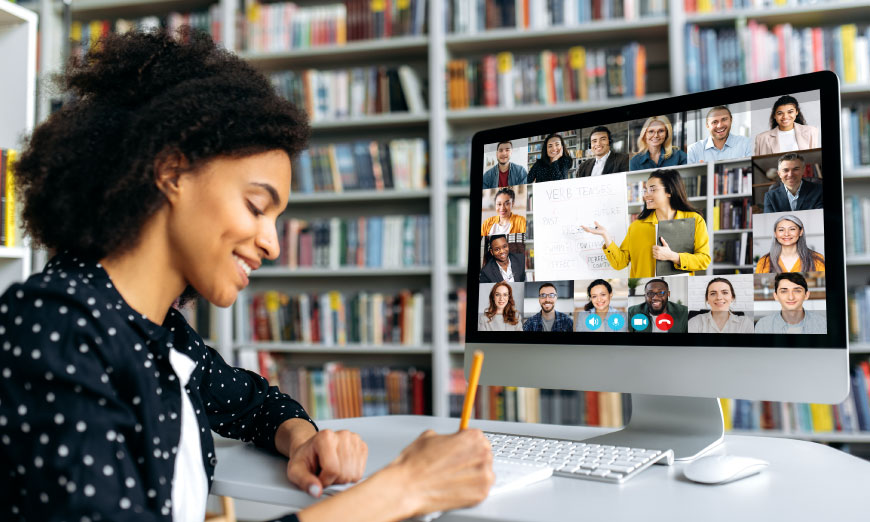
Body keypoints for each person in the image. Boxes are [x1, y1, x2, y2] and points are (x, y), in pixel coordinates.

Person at [0, 29, 494, 522]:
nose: (272, 244)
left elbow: (258, 405)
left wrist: (303, 439)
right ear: (172, 172)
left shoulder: (158, 331)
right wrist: (404, 489)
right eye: (257, 206)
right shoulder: (54, 326)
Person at [582, 169, 711, 278]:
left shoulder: (694, 220)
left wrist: (674, 257)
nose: (645, 195)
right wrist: (606, 236)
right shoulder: (637, 226)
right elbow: (619, 263)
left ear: (669, 191)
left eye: (652, 190)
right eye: (645, 190)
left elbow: (704, 260)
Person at [754, 273, 827, 334]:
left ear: (806, 295)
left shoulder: (823, 324)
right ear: (776, 296)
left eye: (797, 291)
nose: (791, 297)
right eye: (784, 291)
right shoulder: (762, 326)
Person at [755, 214, 825, 273]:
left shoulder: (817, 259)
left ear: (800, 232)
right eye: (781, 230)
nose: (786, 234)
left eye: (792, 229)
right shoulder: (763, 261)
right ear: (775, 234)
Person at [754, 95, 820, 155]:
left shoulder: (811, 131)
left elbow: (815, 159)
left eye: (790, 112)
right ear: (774, 115)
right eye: (780, 113)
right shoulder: (762, 138)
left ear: (797, 112)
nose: (785, 117)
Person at [686, 106, 753, 163]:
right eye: (714, 122)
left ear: (731, 120)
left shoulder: (747, 144)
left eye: (724, 119)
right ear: (707, 125)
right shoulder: (694, 150)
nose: (720, 126)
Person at [688, 278, 754, 333]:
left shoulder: (745, 323)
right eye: (713, 293)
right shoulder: (695, 322)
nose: (719, 297)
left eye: (725, 293)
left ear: (732, 297)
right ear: (707, 299)